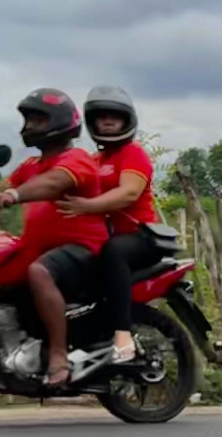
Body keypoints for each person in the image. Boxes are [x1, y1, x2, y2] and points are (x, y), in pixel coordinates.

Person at [0, 89, 108, 388]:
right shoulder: (31, 167)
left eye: (37, 120)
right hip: (39, 248)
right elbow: (3, 186)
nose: (29, 127)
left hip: (83, 249)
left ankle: (58, 356)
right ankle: (23, 343)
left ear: (59, 122)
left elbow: (53, 182)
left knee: (39, 271)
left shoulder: (78, 159)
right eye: (27, 120)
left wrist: (11, 195)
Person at [58, 86, 162, 364]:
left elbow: (128, 192)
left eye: (114, 116)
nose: (107, 121)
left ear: (126, 121)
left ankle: (122, 333)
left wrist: (87, 207)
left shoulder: (133, 153)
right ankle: (83, 342)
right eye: (101, 116)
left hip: (141, 236)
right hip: (105, 238)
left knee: (114, 251)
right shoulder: (95, 160)